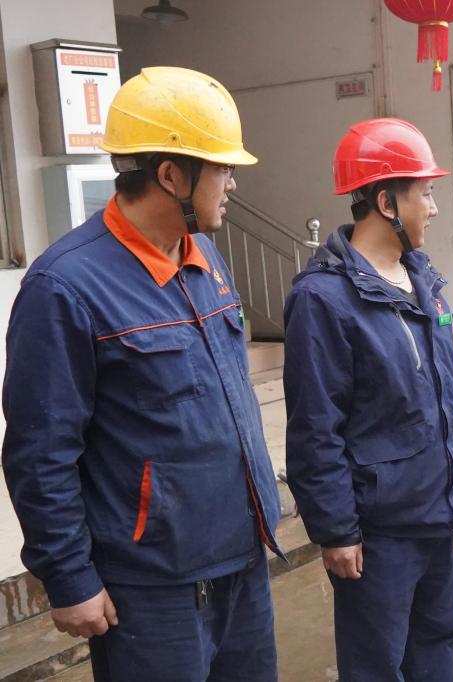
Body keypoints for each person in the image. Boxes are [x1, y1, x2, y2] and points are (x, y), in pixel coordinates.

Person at [2, 66, 283, 681]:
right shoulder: (65, 287)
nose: (233, 183)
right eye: (222, 168)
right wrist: (69, 577)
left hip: (241, 559)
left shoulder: (204, 256)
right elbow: (40, 451)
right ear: (171, 175)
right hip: (153, 589)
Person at [283, 117, 453, 681]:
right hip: (380, 532)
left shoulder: (421, 279)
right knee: (377, 665)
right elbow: (315, 428)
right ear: (387, 201)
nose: (434, 208)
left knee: (435, 648)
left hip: (435, 513)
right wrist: (336, 530)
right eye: (426, 193)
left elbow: (441, 391)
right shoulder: (324, 299)